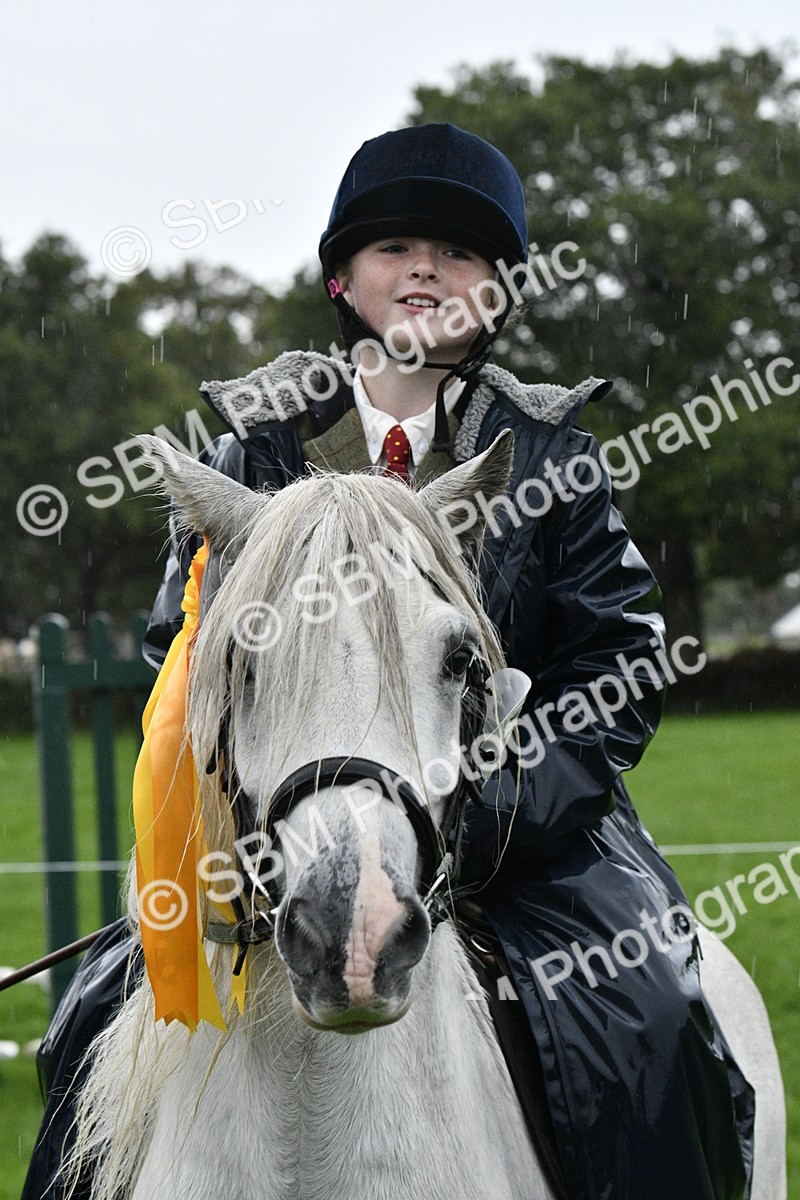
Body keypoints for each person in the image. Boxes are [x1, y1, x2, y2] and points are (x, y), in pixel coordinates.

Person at [24, 123, 753, 1200]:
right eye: (396, 246)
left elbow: (616, 663)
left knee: (651, 1015)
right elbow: (181, 652)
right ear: (341, 278)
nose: (425, 269)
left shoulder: (550, 452)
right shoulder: (251, 449)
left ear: (495, 294)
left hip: (522, 834)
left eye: (458, 253)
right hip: (279, 831)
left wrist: (492, 808)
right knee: (90, 1018)